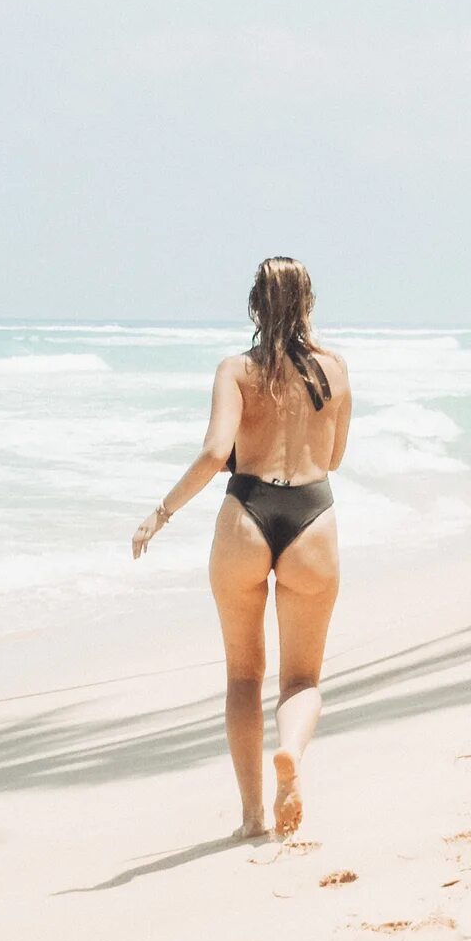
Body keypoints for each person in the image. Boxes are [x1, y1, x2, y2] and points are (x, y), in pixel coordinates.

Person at [132, 257, 352, 839]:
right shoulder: (336, 370)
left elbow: (212, 453)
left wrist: (162, 512)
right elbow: (333, 458)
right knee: (302, 679)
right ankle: (292, 757)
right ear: (308, 302)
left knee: (243, 678)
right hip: (313, 519)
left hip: (245, 517)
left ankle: (253, 816)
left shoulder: (236, 370)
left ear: (255, 303)